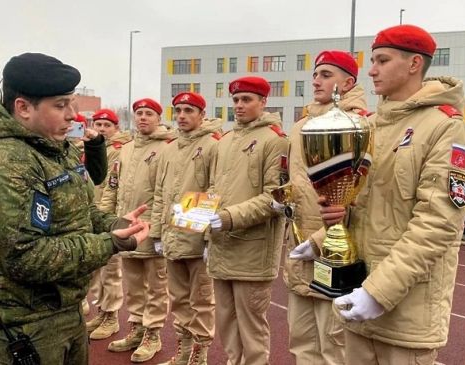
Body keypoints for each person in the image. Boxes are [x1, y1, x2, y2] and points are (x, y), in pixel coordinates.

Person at [0, 52, 151, 365]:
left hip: (64, 308)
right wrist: (110, 243)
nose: (72, 116)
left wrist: (114, 224)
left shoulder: (52, 147)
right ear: (23, 108)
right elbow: (24, 256)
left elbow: (78, 209)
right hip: (25, 321)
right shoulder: (1, 164)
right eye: (60, 105)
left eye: (72, 104)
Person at [318, 24, 465, 364]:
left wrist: (378, 292)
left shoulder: (445, 125)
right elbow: (363, 207)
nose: (371, 70)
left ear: (414, 64)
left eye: (382, 60)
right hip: (360, 297)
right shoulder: (370, 126)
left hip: (405, 312)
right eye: (372, 60)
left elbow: (438, 223)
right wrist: (333, 216)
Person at [283, 50, 368, 365]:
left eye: (326, 74)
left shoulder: (359, 124)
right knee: (301, 341)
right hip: (298, 247)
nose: (316, 80)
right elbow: (300, 181)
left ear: (347, 83)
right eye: (316, 74)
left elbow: (361, 196)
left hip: (335, 251)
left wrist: (320, 239)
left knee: (335, 347)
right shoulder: (301, 125)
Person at [207, 76, 289, 365]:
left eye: (247, 100)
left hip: (253, 250)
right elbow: (215, 189)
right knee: (226, 321)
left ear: (263, 102)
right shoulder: (226, 141)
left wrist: (226, 218)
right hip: (222, 243)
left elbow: (275, 198)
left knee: (252, 326)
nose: (239, 106)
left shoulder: (275, 140)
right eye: (236, 100)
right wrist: (200, 216)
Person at [150, 92, 222, 365]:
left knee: (202, 300)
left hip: (195, 236)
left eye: (189, 110)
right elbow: (160, 192)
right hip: (171, 236)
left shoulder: (213, 145)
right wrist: (157, 232)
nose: (182, 116)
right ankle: (182, 350)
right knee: (178, 299)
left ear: (202, 114)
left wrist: (205, 238)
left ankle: (199, 354)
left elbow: (213, 190)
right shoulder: (169, 148)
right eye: (178, 110)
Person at [99, 98, 174, 362]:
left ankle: (152, 334)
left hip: (152, 229)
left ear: (158, 117)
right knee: (133, 285)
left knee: (156, 286)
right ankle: (137, 328)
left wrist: (159, 229)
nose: (143, 118)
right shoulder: (127, 149)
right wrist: (108, 219)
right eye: (139, 113)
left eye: (148, 114)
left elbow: (167, 192)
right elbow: (113, 185)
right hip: (127, 227)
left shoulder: (167, 148)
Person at [84, 107, 133, 340]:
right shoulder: (91, 148)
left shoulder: (118, 151)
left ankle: (112, 317)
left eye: (107, 125)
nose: (102, 129)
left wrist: (108, 215)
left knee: (111, 271)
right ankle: (102, 312)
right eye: (99, 125)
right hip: (93, 213)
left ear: (116, 128)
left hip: (109, 215)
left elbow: (111, 186)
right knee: (97, 270)